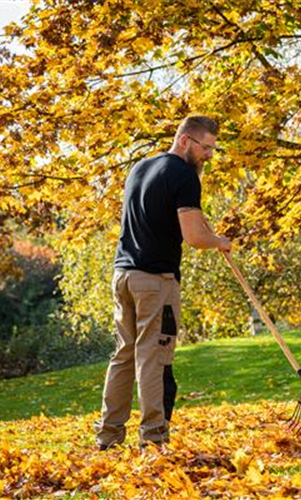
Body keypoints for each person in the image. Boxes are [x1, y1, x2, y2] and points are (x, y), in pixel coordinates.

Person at [94, 115, 231, 451]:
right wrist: (220, 241)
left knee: (124, 355)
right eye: (206, 147)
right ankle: (154, 439)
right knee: (152, 357)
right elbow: (196, 237)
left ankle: (108, 436)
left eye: (213, 149)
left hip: (123, 275)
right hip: (155, 281)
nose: (209, 156)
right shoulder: (184, 176)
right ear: (184, 140)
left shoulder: (140, 168)